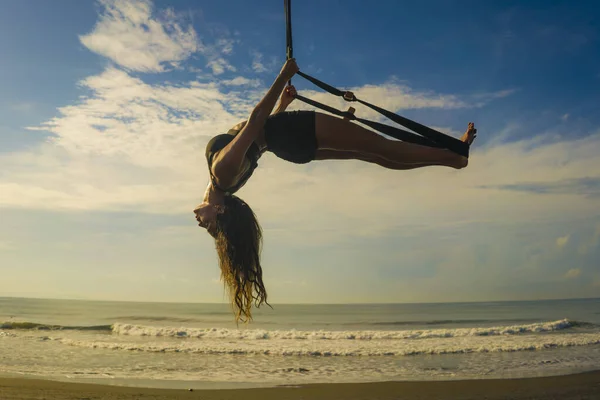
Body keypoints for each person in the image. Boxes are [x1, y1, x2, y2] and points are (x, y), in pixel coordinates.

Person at [194, 58, 477, 323]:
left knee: (374, 155)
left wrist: (283, 104)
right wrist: (283, 76)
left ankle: (451, 158)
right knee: (381, 148)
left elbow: (258, 141)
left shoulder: (223, 182)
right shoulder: (223, 173)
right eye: (209, 227)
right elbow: (255, 121)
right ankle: (453, 155)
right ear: (219, 211)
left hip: (290, 146)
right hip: (294, 133)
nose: (200, 223)